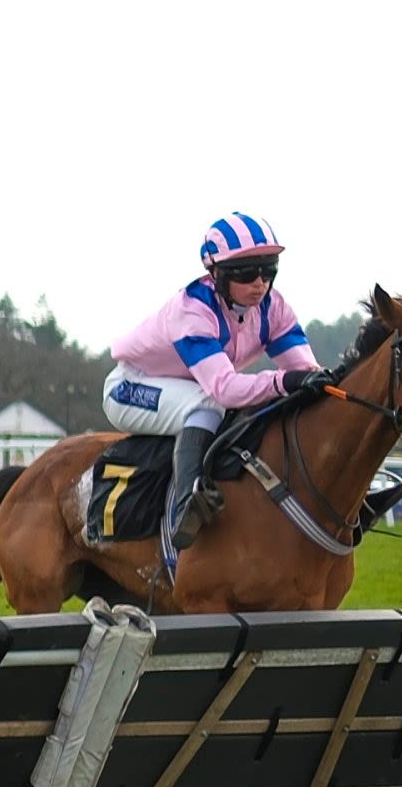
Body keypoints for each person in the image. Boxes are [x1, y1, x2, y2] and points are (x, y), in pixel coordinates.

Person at [101, 213, 331, 551]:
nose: (260, 283)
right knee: (210, 404)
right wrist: (285, 381)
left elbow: (305, 370)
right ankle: (185, 505)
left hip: (189, 390)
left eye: (269, 271)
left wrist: (319, 381)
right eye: (247, 273)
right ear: (217, 274)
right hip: (130, 389)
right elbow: (224, 389)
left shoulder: (273, 308)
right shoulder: (193, 310)